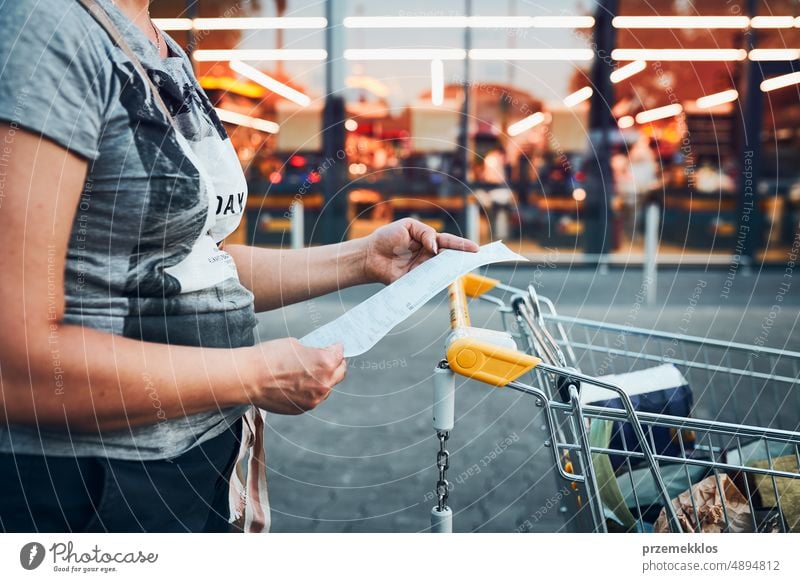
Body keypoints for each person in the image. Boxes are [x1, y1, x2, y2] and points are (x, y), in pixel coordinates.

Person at [0, 0, 478, 533]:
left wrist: (362, 258)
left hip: (197, 456)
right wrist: (255, 372)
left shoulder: (161, 48)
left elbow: (193, 266)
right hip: (94, 483)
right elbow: (13, 364)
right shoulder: (48, 26)